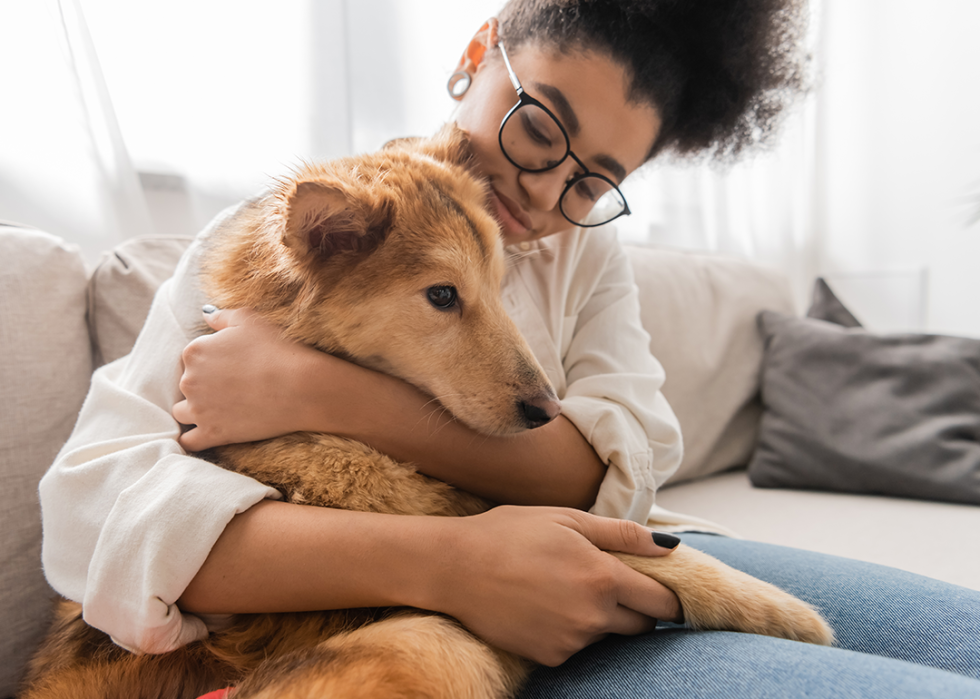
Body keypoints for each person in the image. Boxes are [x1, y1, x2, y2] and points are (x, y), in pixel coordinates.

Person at [39, 0, 980, 696]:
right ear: (478, 52)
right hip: (424, 626)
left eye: (593, 178)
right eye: (540, 127)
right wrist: (448, 565)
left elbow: (623, 471)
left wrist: (329, 396)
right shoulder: (286, 238)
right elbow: (94, 523)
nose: (540, 192)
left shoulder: (584, 252)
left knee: (961, 637)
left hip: (591, 567)